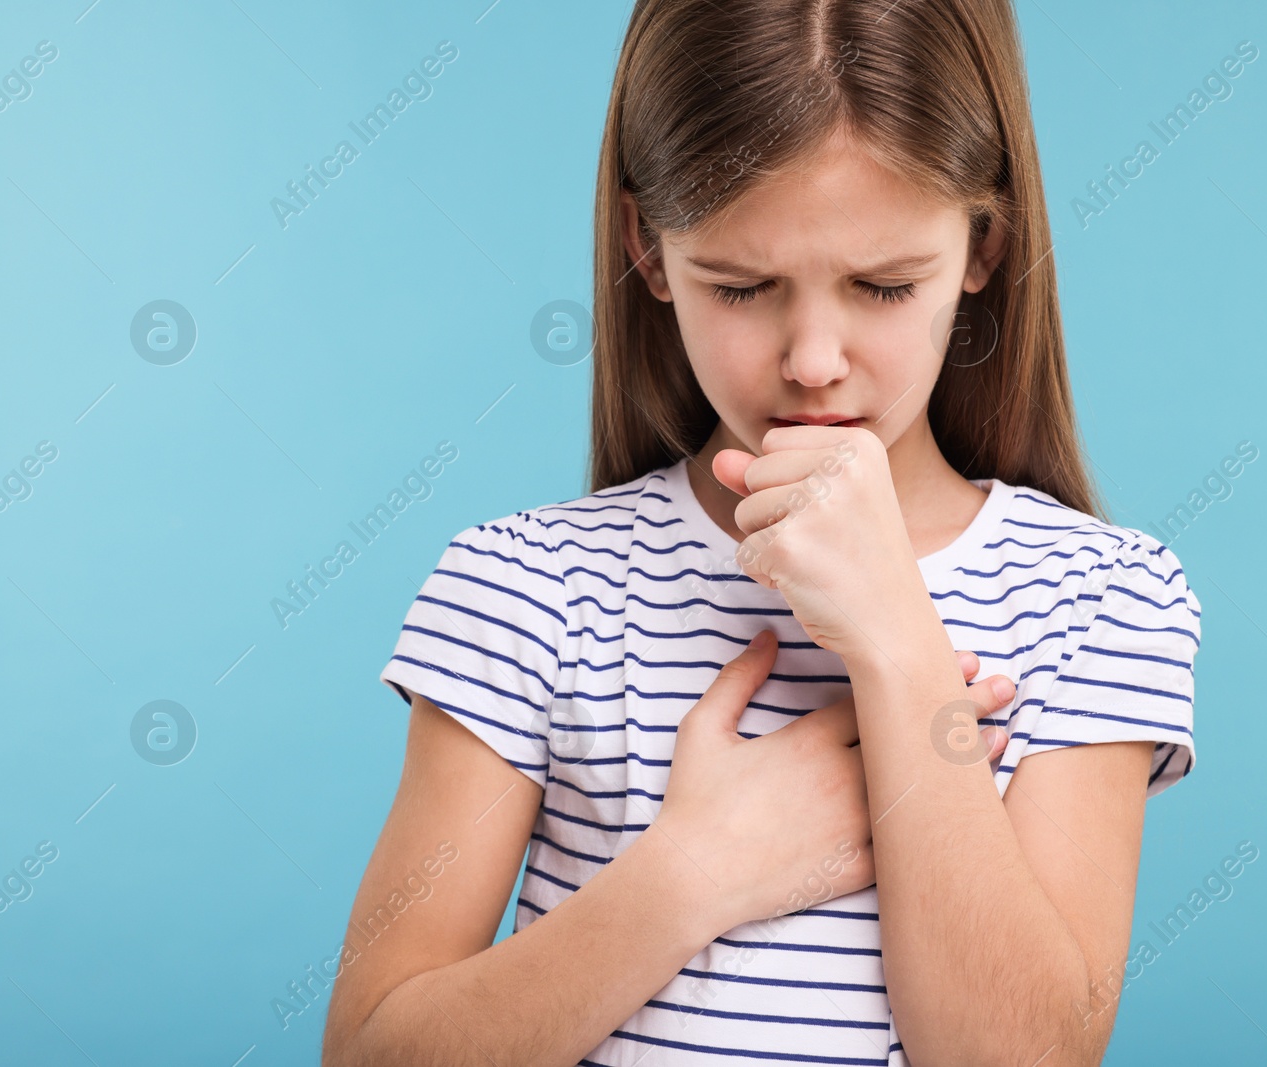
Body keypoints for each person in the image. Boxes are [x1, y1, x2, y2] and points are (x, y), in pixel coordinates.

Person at [323, 1, 1201, 1063]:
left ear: (984, 247)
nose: (814, 359)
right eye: (741, 287)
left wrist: (895, 643)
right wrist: (696, 869)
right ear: (647, 249)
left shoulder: (1100, 597)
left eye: (884, 285)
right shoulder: (526, 588)